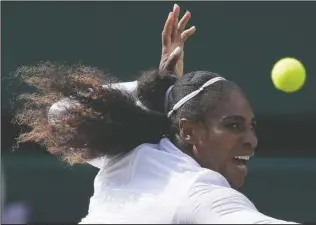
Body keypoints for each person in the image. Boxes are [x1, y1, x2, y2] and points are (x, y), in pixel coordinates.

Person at [12, 4, 298, 224]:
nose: (252, 140)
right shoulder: (199, 192)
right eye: (234, 125)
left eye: (251, 126)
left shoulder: (129, 153)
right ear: (188, 130)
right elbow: (61, 113)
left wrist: (158, 89)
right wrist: (159, 88)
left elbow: (59, 112)